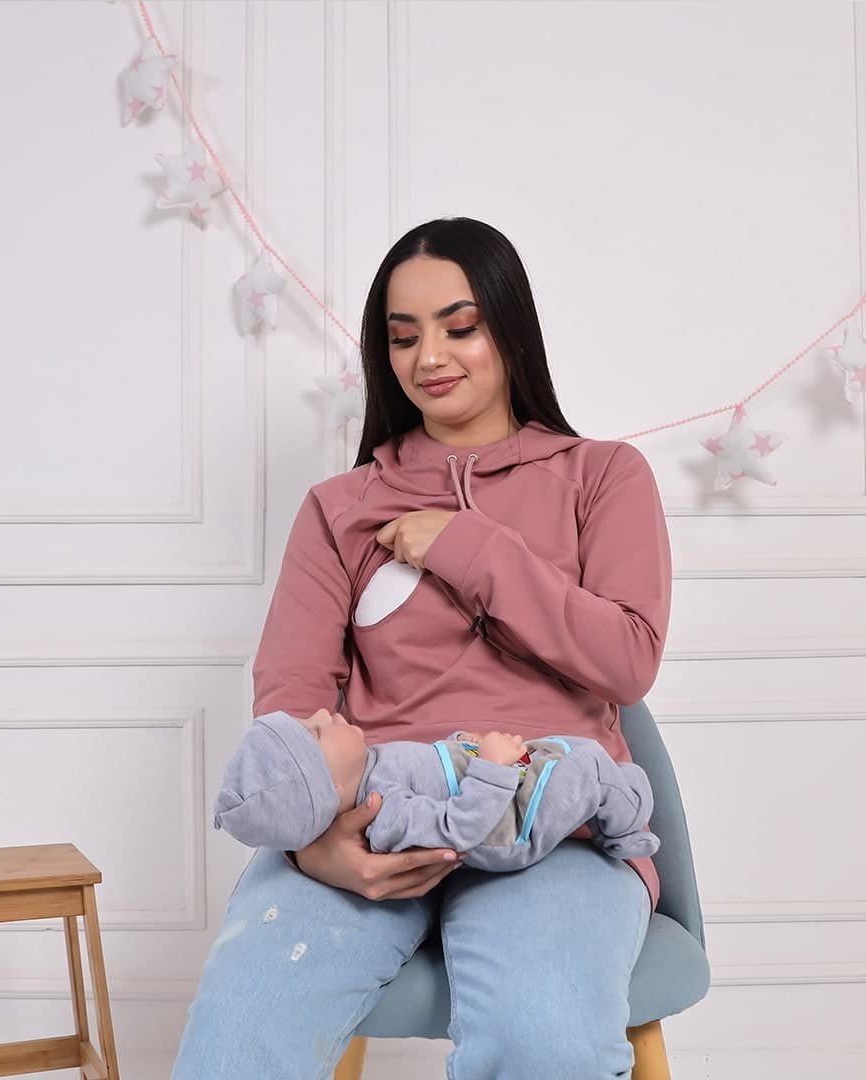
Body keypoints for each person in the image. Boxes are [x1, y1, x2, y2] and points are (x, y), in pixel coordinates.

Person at [171, 217, 672, 1079]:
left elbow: (627, 660)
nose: (429, 357)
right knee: (239, 1039)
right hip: (377, 821)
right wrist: (313, 848)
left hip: (552, 828)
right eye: (403, 338)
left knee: (544, 1041)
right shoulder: (339, 508)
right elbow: (292, 702)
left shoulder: (603, 476)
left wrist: (467, 546)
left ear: (509, 327)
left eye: (459, 327)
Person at [212, 709, 660, 867]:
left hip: (500, 787)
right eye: (315, 731)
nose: (324, 713)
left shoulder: (372, 767)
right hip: (508, 826)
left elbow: (432, 773)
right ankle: (623, 834)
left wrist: (462, 747)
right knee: (590, 768)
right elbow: (456, 831)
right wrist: (490, 768)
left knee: (567, 751)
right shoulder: (383, 813)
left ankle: (622, 799)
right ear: (327, 786)